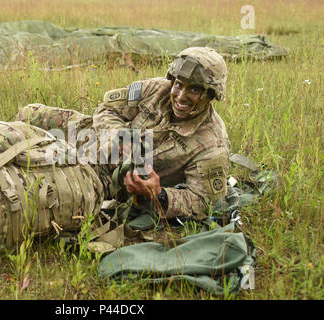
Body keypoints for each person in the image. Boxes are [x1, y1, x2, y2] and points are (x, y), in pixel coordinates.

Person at [92, 47, 230, 221]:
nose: (180, 97)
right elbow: (107, 108)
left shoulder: (212, 144)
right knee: (47, 116)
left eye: (194, 90)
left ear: (211, 95)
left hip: (107, 182)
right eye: (178, 84)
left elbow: (202, 203)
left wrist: (159, 194)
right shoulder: (156, 89)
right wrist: (119, 136)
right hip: (95, 144)